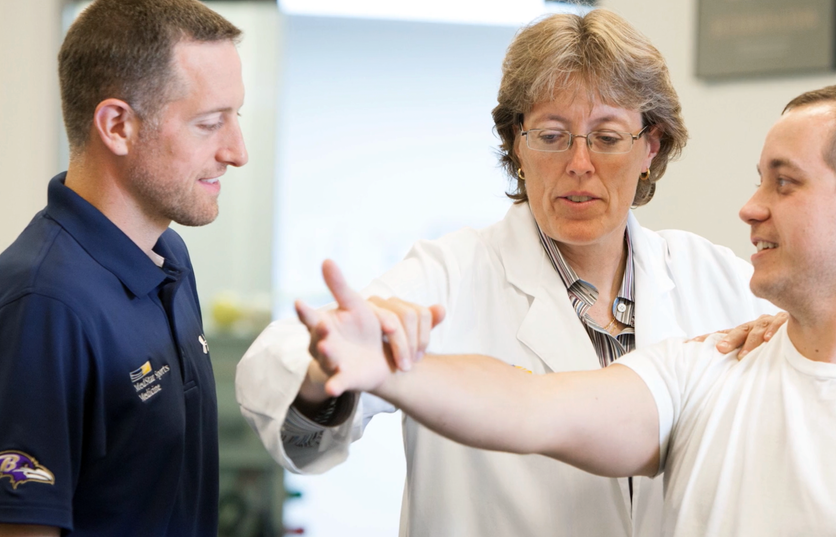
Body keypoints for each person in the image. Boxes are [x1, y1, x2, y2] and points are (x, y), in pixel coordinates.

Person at [299, 84, 836, 536]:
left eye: (784, 183)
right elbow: (532, 404)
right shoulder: (712, 368)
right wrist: (393, 369)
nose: (750, 207)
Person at [236, 9, 781, 537]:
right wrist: (320, 371)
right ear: (516, 144)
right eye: (551, 135)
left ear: (651, 147)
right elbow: (280, 372)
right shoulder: (449, 275)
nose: (580, 163)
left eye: (608, 137)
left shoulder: (718, 279)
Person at [0, 0, 247, 535]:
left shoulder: (169, 256)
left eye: (237, 117)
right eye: (209, 123)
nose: (237, 151)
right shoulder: (43, 305)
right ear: (117, 125)